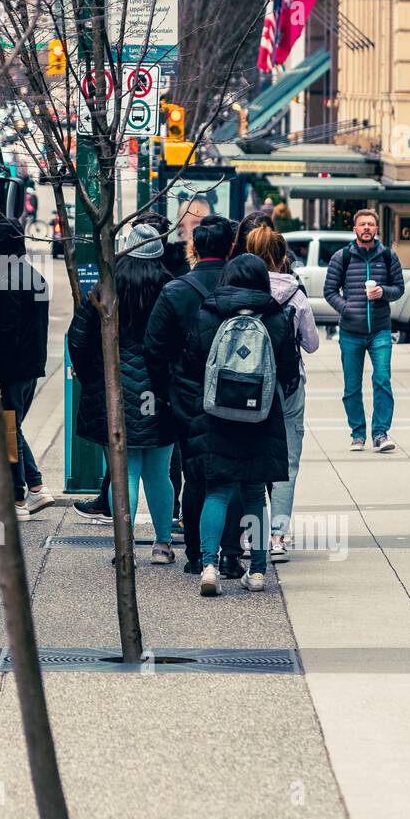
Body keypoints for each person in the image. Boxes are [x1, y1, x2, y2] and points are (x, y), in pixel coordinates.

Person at [184, 254, 299, 597]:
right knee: (253, 494)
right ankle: (259, 571)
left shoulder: (208, 311)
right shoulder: (276, 315)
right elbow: (290, 370)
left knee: (217, 491)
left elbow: (190, 363)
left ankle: (208, 566)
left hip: (215, 415)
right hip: (261, 417)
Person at [67, 225, 177, 563]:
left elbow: (79, 339)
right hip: (160, 393)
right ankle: (162, 544)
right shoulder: (170, 290)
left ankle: (125, 548)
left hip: (113, 392)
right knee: (159, 473)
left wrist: (96, 380)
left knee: (123, 472)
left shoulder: (105, 291)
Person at [144, 215, 235, 574]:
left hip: (188, 394)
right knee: (232, 474)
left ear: (194, 248)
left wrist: (166, 390)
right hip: (236, 392)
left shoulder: (176, 290)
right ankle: (229, 554)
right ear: (231, 247)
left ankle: (196, 554)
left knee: (195, 474)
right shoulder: (242, 286)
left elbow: (154, 348)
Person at [246, 225, 320, 561]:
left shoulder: (237, 291)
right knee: (286, 461)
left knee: (245, 457)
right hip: (288, 385)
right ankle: (277, 536)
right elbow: (312, 344)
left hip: (245, 385)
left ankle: (248, 535)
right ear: (282, 258)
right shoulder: (295, 294)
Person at [0, 217, 54, 520]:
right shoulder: (34, 277)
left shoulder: (8, 280)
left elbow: (5, 334)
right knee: (14, 428)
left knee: (7, 430)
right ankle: (35, 488)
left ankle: (17, 499)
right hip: (30, 367)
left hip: (11, 370)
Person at [323, 209, 405, 452]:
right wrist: (346, 308)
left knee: (382, 380)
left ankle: (380, 433)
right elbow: (329, 291)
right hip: (350, 332)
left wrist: (383, 292)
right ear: (355, 229)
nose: (367, 228)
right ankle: (357, 434)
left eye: (371, 224)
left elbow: (399, 288)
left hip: (380, 330)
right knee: (351, 387)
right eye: (362, 224)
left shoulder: (389, 256)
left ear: (377, 229)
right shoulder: (343, 257)